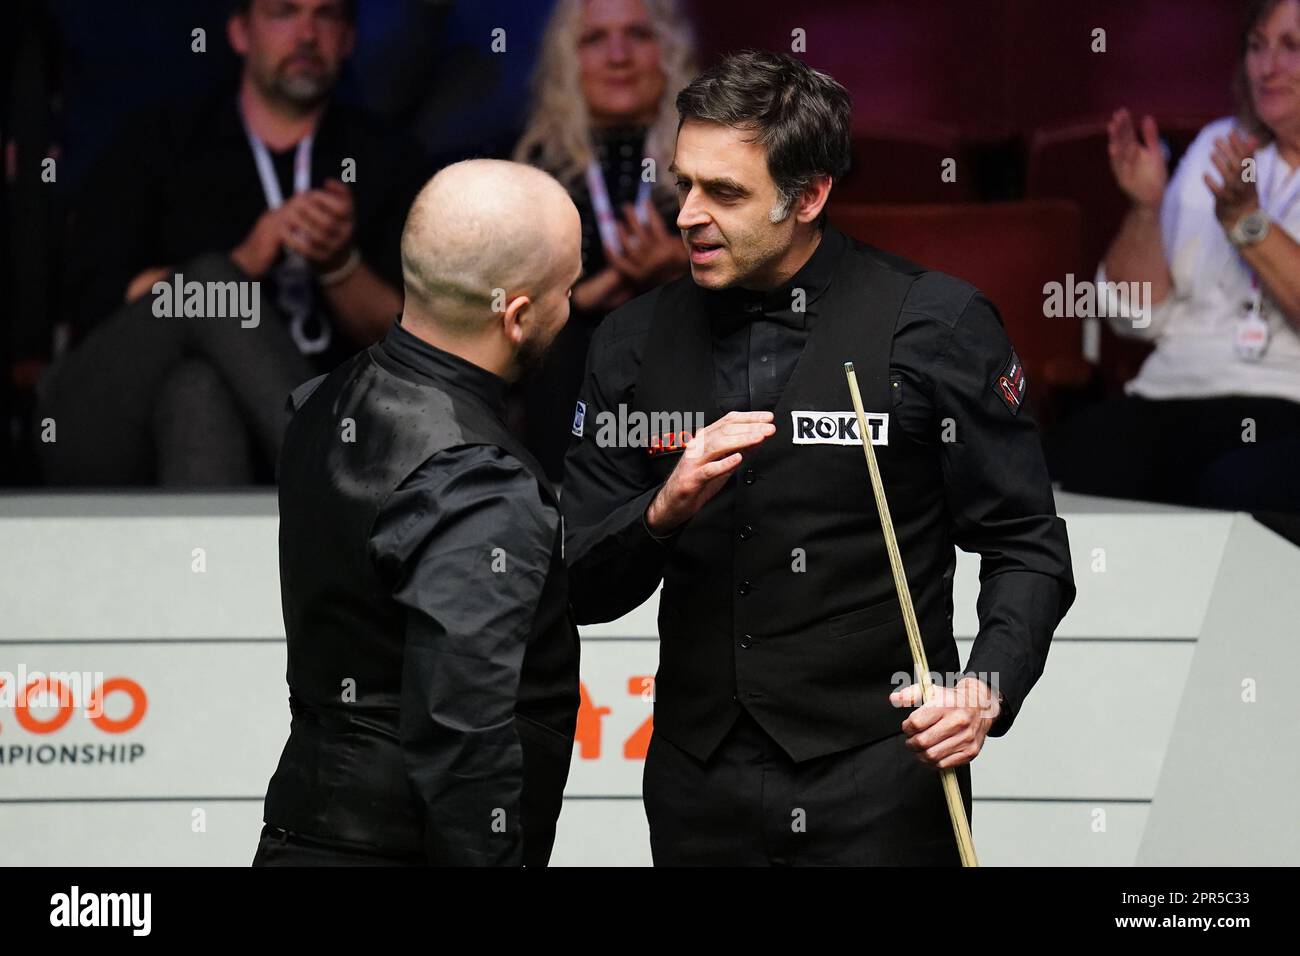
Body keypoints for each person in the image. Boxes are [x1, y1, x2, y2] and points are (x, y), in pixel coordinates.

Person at [562, 51, 1076, 866]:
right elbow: (580, 582)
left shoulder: (934, 327)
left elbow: (1027, 546)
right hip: (699, 787)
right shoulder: (629, 343)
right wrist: (661, 512)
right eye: (685, 183)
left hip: (881, 775)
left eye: (725, 193)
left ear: (809, 197)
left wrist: (984, 689)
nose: (688, 214)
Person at [253, 159, 583, 867]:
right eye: (568, 288)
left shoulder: (321, 403)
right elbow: (462, 730)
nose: (572, 306)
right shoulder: (479, 479)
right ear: (518, 315)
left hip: (296, 835)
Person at [36, 0, 427, 486]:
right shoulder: (160, 141)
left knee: (198, 391)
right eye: (284, 12)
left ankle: (215, 558)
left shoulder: (387, 159)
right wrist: (243, 263)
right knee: (209, 282)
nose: (307, 34)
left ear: (349, 39)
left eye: (326, 15)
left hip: (254, 437)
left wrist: (339, 265)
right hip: (108, 421)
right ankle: (333, 488)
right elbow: (95, 302)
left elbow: (420, 351)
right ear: (240, 33)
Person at [1048, 0, 1300, 513]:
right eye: (1256, 46)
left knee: (1238, 488)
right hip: (1171, 392)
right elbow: (1133, 317)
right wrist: (1147, 208)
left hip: (1285, 403)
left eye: (1291, 47)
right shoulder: (1218, 145)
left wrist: (1247, 224)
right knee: (1047, 464)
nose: (1266, 67)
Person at [512, 0, 694, 483]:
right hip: (556, 381)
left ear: (669, 51)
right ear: (565, 60)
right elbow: (498, 308)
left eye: (638, 34)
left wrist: (682, 267)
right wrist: (585, 297)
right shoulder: (524, 167)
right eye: (594, 39)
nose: (618, 56)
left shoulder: (712, 161)